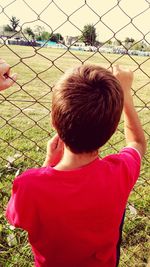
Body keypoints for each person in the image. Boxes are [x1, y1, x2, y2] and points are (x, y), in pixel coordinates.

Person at [5, 63, 146, 267]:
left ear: (54, 121)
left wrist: (47, 166)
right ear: (112, 129)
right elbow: (137, 143)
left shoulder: (29, 185)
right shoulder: (120, 172)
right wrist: (125, 93)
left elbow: (15, 218)